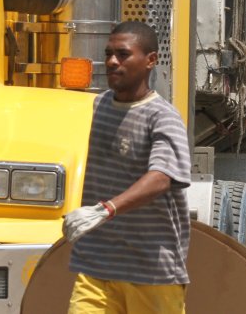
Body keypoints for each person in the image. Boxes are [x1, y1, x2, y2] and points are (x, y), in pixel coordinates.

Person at [63, 21, 191, 313]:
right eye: (108, 54)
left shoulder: (162, 117)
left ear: (150, 60)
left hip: (152, 272)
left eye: (122, 54)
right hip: (96, 266)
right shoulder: (98, 108)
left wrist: (105, 210)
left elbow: (161, 177)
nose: (111, 61)